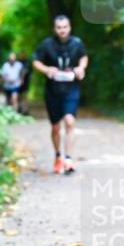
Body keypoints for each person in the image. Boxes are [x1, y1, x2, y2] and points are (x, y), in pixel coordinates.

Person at [32, 15, 89, 174]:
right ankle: (58, 156)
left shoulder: (77, 43)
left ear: (69, 28)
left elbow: (84, 57)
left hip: (71, 89)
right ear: (54, 29)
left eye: (64, 27)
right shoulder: (47, 44)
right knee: (56, 127)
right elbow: (36, 61)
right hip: (53, 90)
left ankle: (69, 159)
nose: (62, 30)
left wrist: (81, 68)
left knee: (70, 122)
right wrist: (47, 70)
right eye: (59, 27)